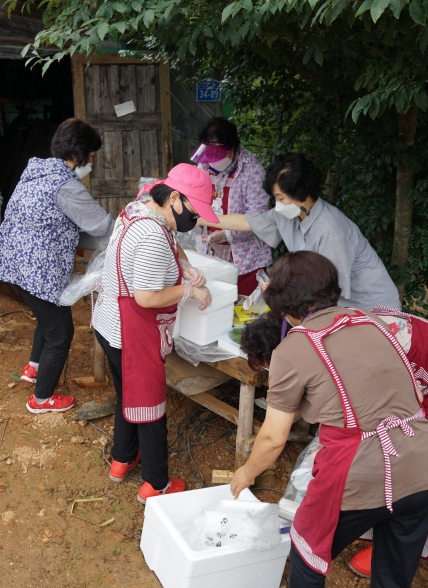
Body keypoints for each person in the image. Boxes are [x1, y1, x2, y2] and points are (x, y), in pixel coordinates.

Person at [231, 251, 428, 588]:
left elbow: (274, 439)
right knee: (393, 575)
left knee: (307, 549)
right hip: (424, 466)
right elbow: (415, 397)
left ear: (282, 307)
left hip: (359, 473)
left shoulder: (292, 349)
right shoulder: (371, 321)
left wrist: (245, 473)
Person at [241, 306, 428, 580]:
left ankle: (386, 527)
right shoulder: (333, 332)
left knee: (401, 465)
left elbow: (405, 401)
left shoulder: (335, 347)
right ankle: (391, 534)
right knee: (403, 488)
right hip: (416, 429)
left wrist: (247, 472)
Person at [92, 164, 216, 504]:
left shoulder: (141, 210)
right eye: (194, 211)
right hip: (130, 333)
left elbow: (172, 242)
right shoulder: (150, 237)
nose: (195, 220)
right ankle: (156, 485)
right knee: (150, 406)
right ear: (174, 197)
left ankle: (121, 459)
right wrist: (190, 292)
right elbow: (146, 298)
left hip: (108, 324)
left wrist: (186, 267)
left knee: (127, 394)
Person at [0, 118, 115, 414]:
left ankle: (33, 367)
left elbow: (53, 222)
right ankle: (42, 398)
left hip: (15, 263)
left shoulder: (36, 170)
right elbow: (105, 227)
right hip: (39, 269)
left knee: (49, 315)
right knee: (61, 333)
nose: (93, 162)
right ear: (80, 153)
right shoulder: (67, 187)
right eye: (93, 155)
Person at [198, 153, 401, 310]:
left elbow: (329, 289)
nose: (278, 205)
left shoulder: (332, 231)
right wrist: (199, 218)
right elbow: (248, 222)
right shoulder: (290, 213)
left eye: (282, 198)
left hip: (371, 309)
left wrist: (283, 294)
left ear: (302, 194)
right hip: (332, 303)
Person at [192, 117, 272, 296]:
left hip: (247, 255)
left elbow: (257, 217)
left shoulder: (253, 170)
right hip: (210, 249)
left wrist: (226, 233)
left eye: (217, 153)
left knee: (245, 307)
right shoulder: (204, 163)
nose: (211, 159)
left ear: (232, 148)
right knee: (216, 299)